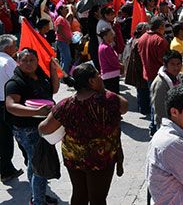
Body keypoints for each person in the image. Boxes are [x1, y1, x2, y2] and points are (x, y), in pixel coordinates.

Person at [38, 62, 128, 205]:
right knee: (98, 198)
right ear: (92, 81)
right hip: (102, 159)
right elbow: (124, 107)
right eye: (98, 75)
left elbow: (44, 128)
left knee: (79, 194)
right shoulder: (108, 99)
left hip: (74, 158)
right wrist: (103, 90)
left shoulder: (65, 104)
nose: (101, 77)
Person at [4, 49, 60, 205]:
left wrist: (53, 71)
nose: (29, 64)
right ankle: (38, 201)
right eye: (25, 60)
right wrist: (36, 111)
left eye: (32, 60)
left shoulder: (40, 76)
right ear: (18, 62)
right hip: (26, 130)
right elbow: (11, 106)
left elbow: (54, 90)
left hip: (42, 127)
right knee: (39, 165)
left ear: (37, 61)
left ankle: (38, 195)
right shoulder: (15, 83)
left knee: (34, 163)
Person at [138, 16, 169, 135]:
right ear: (160, 27)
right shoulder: (160, 40)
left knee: (154, 102)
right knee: (159, 104)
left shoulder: (142, 38)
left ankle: (153, 127)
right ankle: (155, 128)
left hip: (148, 74)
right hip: (159, 75)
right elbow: (164, 60)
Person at [0, 34, 23, 183]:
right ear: (8, 47)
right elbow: (18, 82)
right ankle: (6, 170)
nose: (17, 47)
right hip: (5, 104)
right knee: (7, 138)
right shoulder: (8, 62)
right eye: (15, 45)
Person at [150, 50, 182, 131]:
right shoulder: (161, 84)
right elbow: (160, 110)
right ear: (165, 65)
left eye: (178, 64)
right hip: (166, 125)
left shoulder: (177, 77)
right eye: (172, 64)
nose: (176, 68)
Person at [98, 26, 122, 94]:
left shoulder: (103, 46)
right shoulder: (106, 48)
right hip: (111, 75)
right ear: (105, 36)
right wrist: (121, 66)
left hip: (109, 75)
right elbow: (113, 62)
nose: (113, 36)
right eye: (111, 34)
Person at [55, 4, 73, 74]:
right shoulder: (60, 19)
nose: (66, 9)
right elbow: (59, 31)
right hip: (62, 41)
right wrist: (66, 39)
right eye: (65, 8)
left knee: (64, 59)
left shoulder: (63, 18)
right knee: (67, 59)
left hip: (64, 41)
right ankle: (64, 76)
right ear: (60, 10)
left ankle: (63, 75)